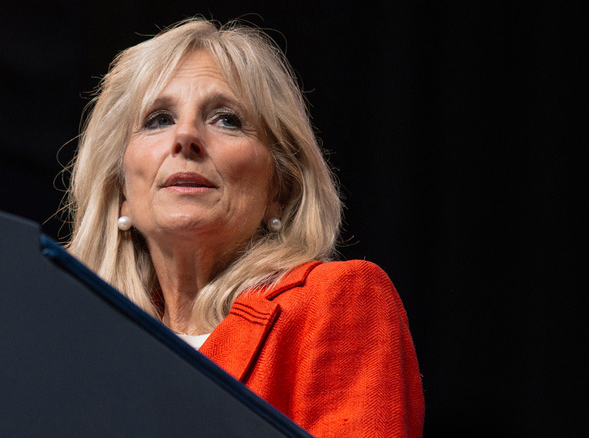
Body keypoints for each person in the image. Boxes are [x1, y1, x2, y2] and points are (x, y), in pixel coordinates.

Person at [61, 17, 424, 437]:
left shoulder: (338, 301)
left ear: (280, 190)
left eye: (226, 119)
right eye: (158, 119)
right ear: (121, 190)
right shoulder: (78, 352)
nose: (185, 137)